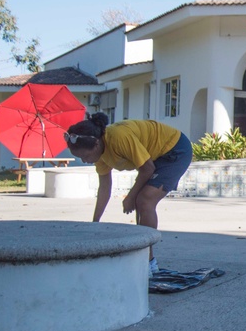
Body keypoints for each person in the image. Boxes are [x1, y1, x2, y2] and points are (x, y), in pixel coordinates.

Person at [65, 113, 192, 275]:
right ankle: (145, 260)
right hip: (155, 157)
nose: (84, 161)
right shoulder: (100, 153)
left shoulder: (118, 137)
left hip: (174, 149)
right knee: (141, 202)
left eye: (85, 156)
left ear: (96, 144)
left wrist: (130, 197)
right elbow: (104, 187)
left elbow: (147, 168)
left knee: (145, 201)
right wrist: (95, 222)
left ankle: (149, 263)